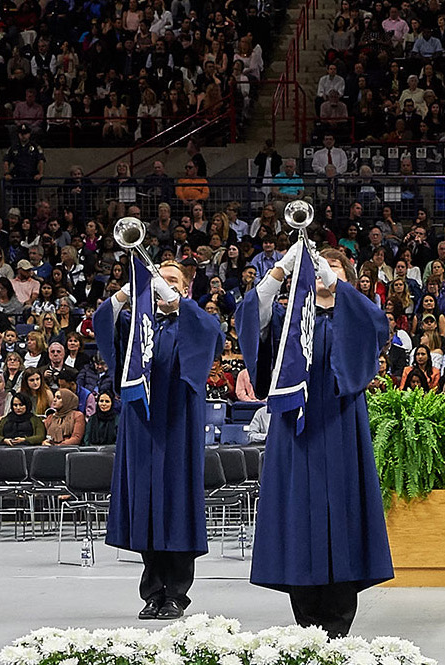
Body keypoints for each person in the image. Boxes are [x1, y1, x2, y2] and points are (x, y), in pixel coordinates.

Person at [241, 241, 394, 637]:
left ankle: (339, 626)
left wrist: (334, 283)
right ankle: (307, 625)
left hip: (343, 431)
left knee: (343, 521)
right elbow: (250, 320)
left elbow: (376, 324)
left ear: (347, 277)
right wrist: (279, 271)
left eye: (335, 269)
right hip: (297, 434)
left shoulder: (354, 317)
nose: (326, 274)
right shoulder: (289, 321)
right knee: (300, 522)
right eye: (319, 268)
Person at [92, 249, 223, 620]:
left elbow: (212, 334)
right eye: (159, 282)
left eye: (173, 282)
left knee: (177, 505)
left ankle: (177, 595)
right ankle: (152, 592)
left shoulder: (193, 322)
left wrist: (176, 300)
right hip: (142, 425)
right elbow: (103, 322)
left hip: (179, 423)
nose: (164, 287)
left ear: (185, 288)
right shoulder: (137, 323)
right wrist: (127, 292)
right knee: (146, 505)